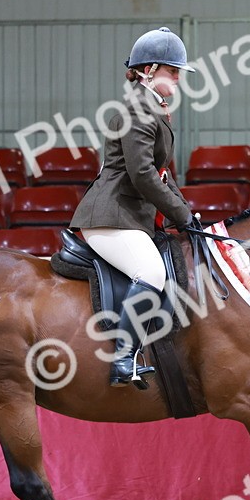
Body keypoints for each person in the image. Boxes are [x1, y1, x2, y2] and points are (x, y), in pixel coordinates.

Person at [69, 27, 196, 388]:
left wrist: (188, 212)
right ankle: (123, 359)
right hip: (111, 214)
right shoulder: (138, 108)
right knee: (151, 274)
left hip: (129, 216)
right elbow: (142, 175)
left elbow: (162, 175)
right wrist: (181, 215)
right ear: (151, 69)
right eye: (173, 70)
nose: (178, 77)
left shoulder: (152, 107)